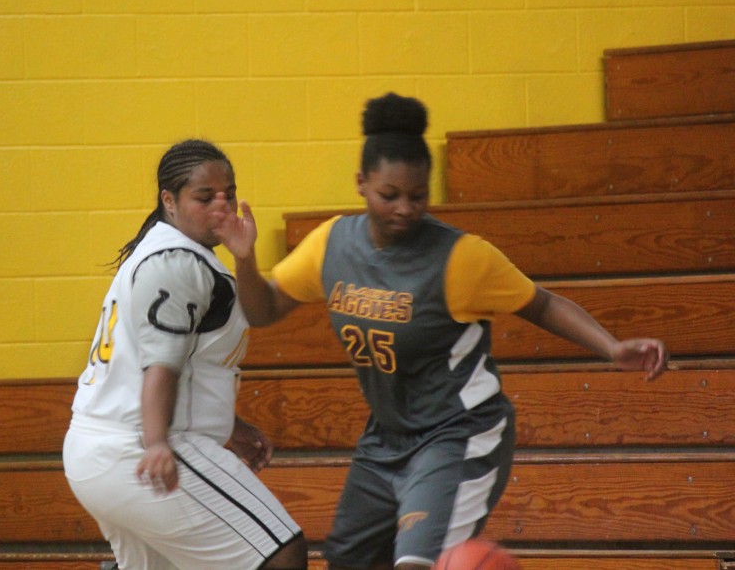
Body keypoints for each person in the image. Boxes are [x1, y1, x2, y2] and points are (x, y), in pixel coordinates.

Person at [213, 93, 669, 570]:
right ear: (362, 184)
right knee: (346, 561)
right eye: (390, 195)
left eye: (418, 195)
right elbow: (262, 311)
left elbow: (544, 304)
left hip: (458, 434)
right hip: (386, 437)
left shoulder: (461, 257)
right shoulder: (332, 245)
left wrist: (612, 347)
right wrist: (244, 258)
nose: (406, 209)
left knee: (419, 563)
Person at [63, 139, 308, 570]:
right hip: (137, 444)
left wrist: (229, 424)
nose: (221, 204)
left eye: (228, 193)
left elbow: (208, 350)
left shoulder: (170, 252)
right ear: (169, 201)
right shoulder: (178, 262)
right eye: (204, 196)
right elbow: (162, 365)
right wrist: (158, 443)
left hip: (99, 449)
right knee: (281, 553)